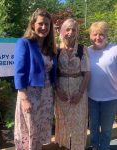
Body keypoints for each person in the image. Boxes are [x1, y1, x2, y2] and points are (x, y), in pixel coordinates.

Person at [14, 8, 57, 150]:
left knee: (40, 132)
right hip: (31, 95)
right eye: (40, 23)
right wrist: (24, 98)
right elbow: (19, 72)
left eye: (47, 24)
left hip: (47, 95)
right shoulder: (24, 43)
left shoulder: (49, 47)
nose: (44, 27)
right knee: (30, 131)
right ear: (33, 24)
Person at [54, 18, 90, 150]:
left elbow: (87, 73)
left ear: (77, 32)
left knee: (78, 123)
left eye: (73, 29)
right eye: (67, 29)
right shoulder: (56, 50)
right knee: (62, 122)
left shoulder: (82, 49)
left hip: (79, 91)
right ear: (62, 31)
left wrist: (80, 93)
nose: (70, 32)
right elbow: (54, 72)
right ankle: (64, 147)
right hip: (61, 92)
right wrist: (57, 89)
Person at [88, 21, 117, 150]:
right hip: (91, 97)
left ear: (106, 36)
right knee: (93, 127)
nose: (98, 37)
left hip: (110, 98)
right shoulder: (87, 51)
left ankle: (104, 148)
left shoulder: (114, 49)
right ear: (90, 36)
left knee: (106, 129)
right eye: (95, 34)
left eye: (101, 34)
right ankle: (94, 147)